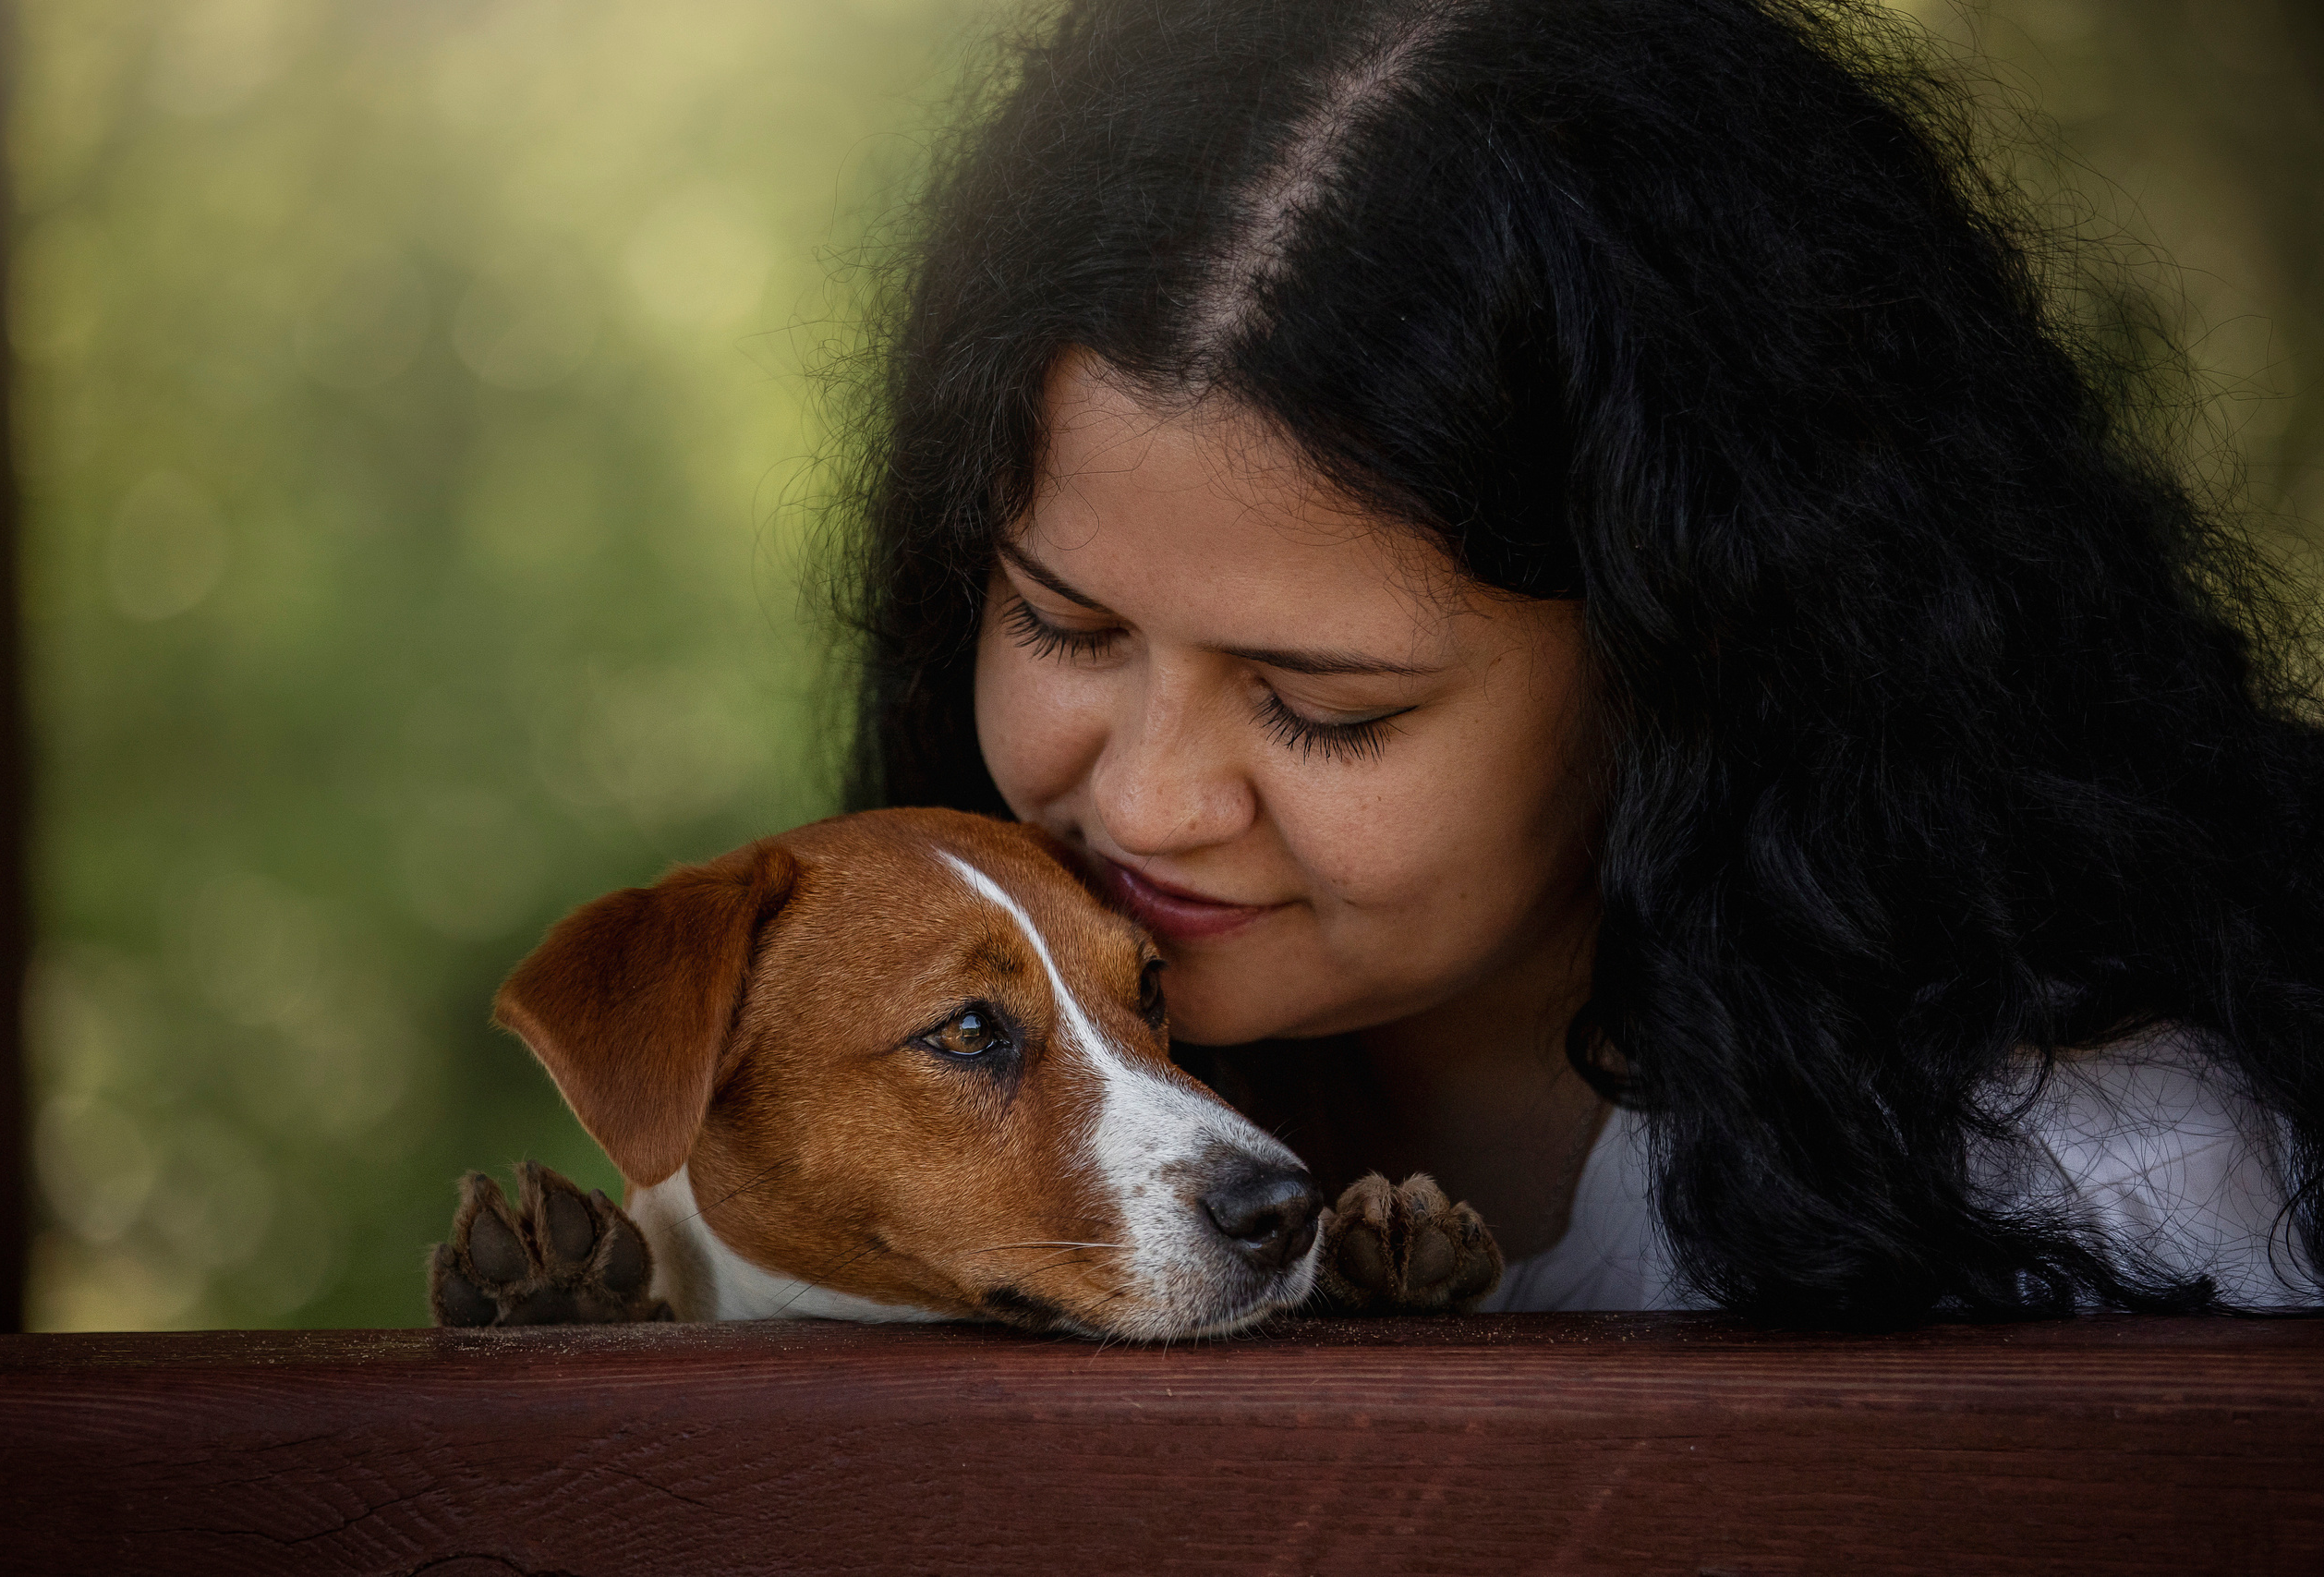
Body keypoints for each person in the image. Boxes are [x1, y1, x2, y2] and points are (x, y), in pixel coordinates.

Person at [831, 0, 2324, 1321]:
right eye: (1063, 626)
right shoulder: (897, 1103)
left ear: (1686, 661)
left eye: (1323, 707)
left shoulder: (2096, 1202)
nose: (1146, 805)